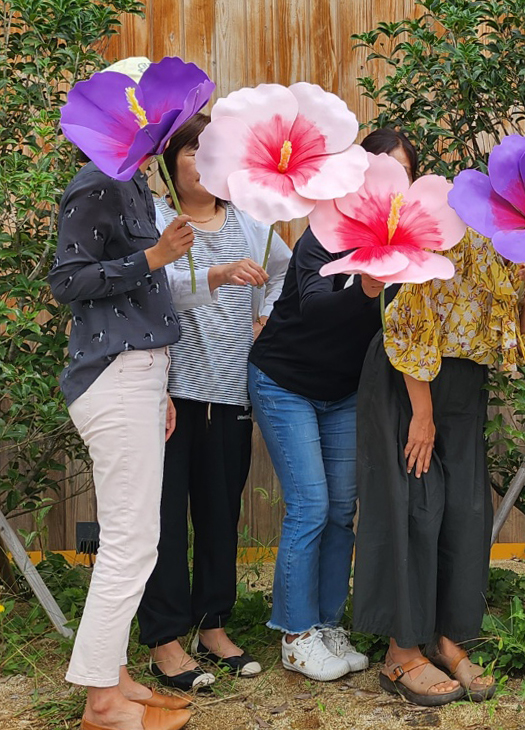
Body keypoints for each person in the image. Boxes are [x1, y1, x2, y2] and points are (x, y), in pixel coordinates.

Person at [48, 57, 197, 730]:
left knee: (137, 535)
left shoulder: (134, 185)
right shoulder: (97, 184)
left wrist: (159, 385)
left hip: (137, 375)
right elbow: (68, 282)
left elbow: (140, 300)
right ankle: (102, 702)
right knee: (133, 541)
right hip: (113, 376)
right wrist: (154, 257)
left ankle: (114, 675)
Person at [352, 216, 525, 706]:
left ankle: (447, 638)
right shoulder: (450, 230)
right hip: (409, 380)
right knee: (415, 506)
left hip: (464, 382)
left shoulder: (517, 244)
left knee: (464, 510)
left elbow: (524, 341)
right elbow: (408, 321)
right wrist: (422, 413)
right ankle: (401, 651)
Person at [247, 128, 417, 682]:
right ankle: (296, 635)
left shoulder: (409, 248)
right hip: (285, 382)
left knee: (343, 509)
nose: (390, 186)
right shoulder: (324, 236)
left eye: (403, 175)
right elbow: (317, 307)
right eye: (379, 171)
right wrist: (364, 291)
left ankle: (326, 623)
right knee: (311, 506)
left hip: (342, 392)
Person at [138, 113, 290, 690]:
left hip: (230, 393)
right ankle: (166, 639)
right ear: (169, 163)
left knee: (221, 517)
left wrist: (267, 317)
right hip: (171, 394)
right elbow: (151, 286)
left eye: (214, 153)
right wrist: (218, 277)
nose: (205, 164)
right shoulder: (157, 220)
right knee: (165, 521)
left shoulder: (250, 222)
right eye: (193, 153)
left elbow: (280, 273)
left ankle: (213, 626)